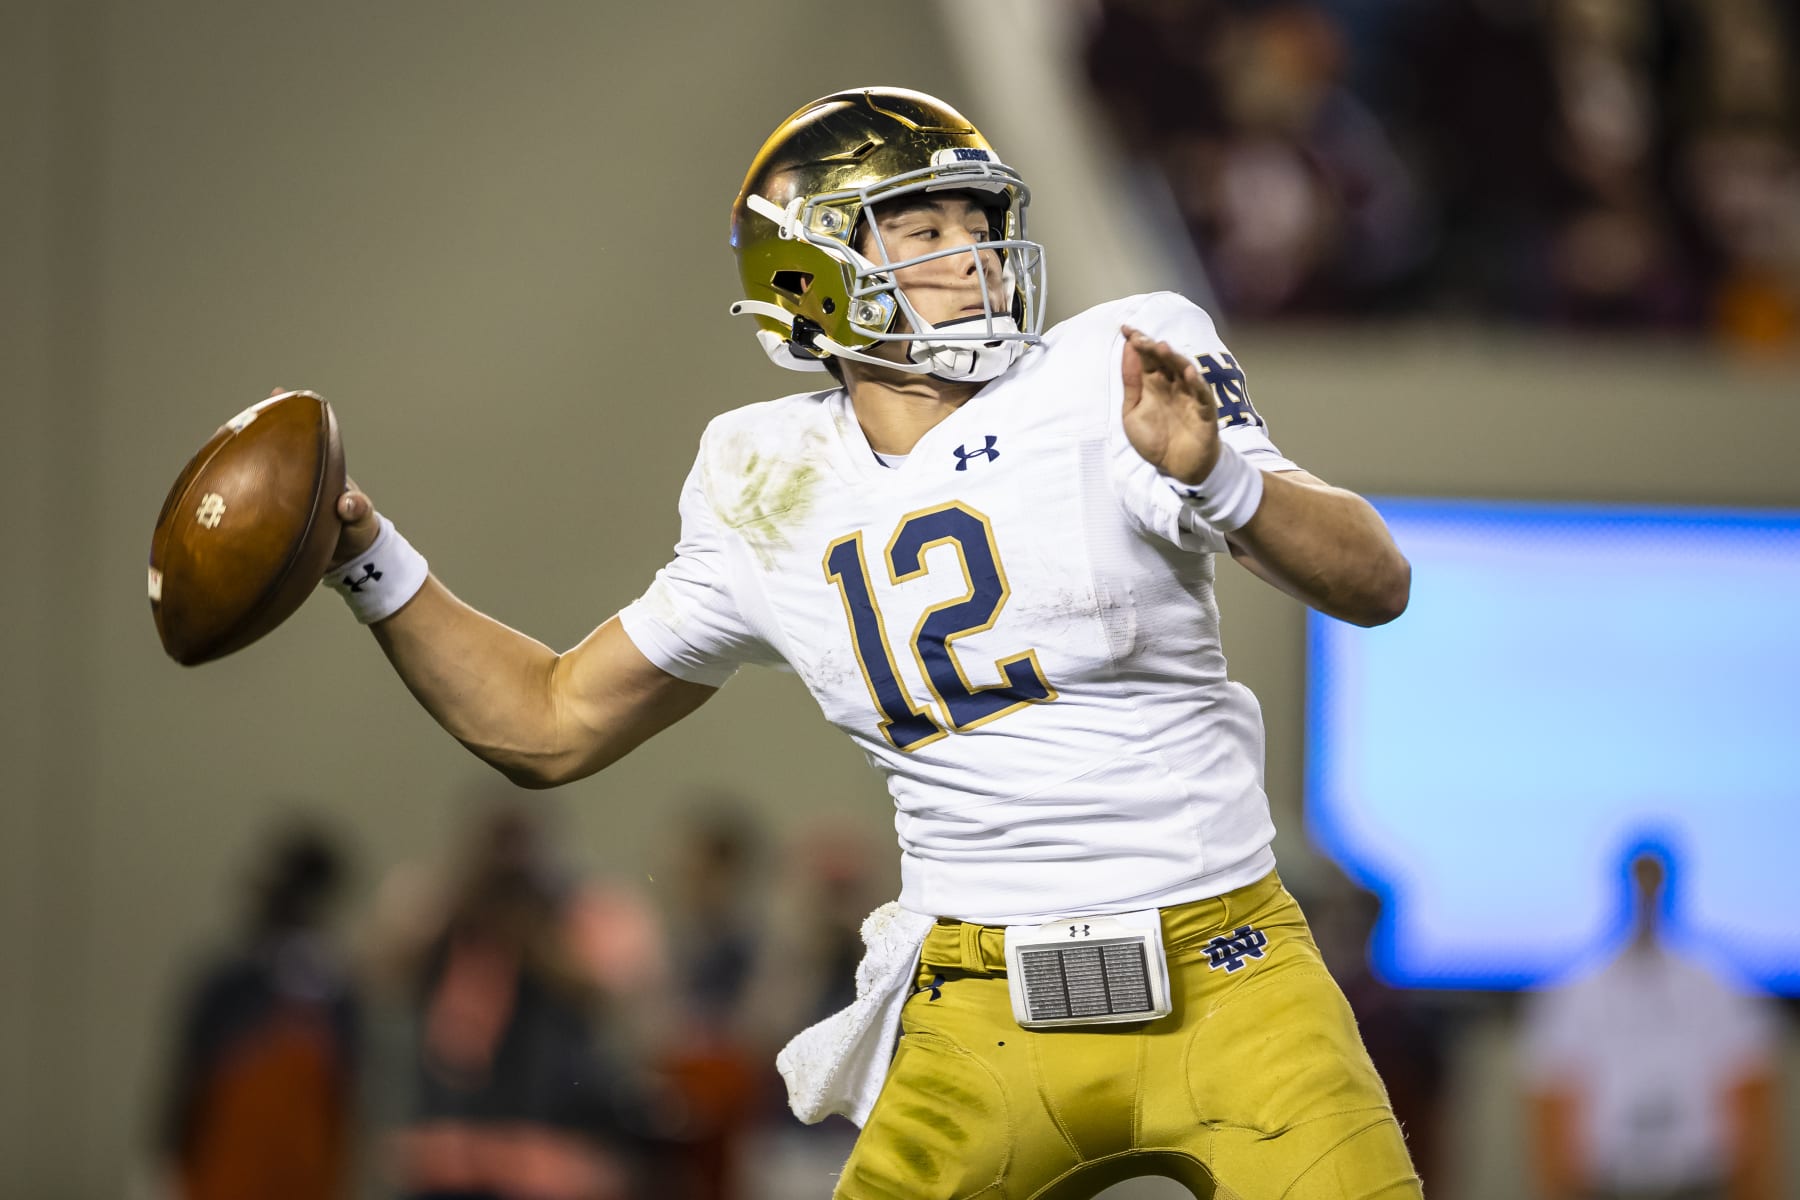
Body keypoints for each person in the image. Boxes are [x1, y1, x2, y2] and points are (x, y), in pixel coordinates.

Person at [307, 87, 1416, 1198]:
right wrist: (369, 560)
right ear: (809, 275)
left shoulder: (1114, 368)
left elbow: (1375, 582)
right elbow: (546, 725)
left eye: (978, 222)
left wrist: (1219, 479)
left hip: (1231, 970)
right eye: (925, 229)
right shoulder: (765, 476)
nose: (975, 254)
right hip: (976, 1006)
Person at [1520, 847, 1783, 1200]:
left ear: (1669, 886)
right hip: (1607, 1186)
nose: (1646, 893)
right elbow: (1552, 1121)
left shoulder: (1722, 989)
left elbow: (1753, 1119)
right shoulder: (1572, 995)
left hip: (1700, 1184)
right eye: (1639, 882)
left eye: (1653, 882)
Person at [156, 821, 360, 1200]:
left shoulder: (336, 991)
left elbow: (343, 1104)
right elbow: (187, 1085)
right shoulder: (229, 982)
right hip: (223, 1180)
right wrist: (164, 1167)